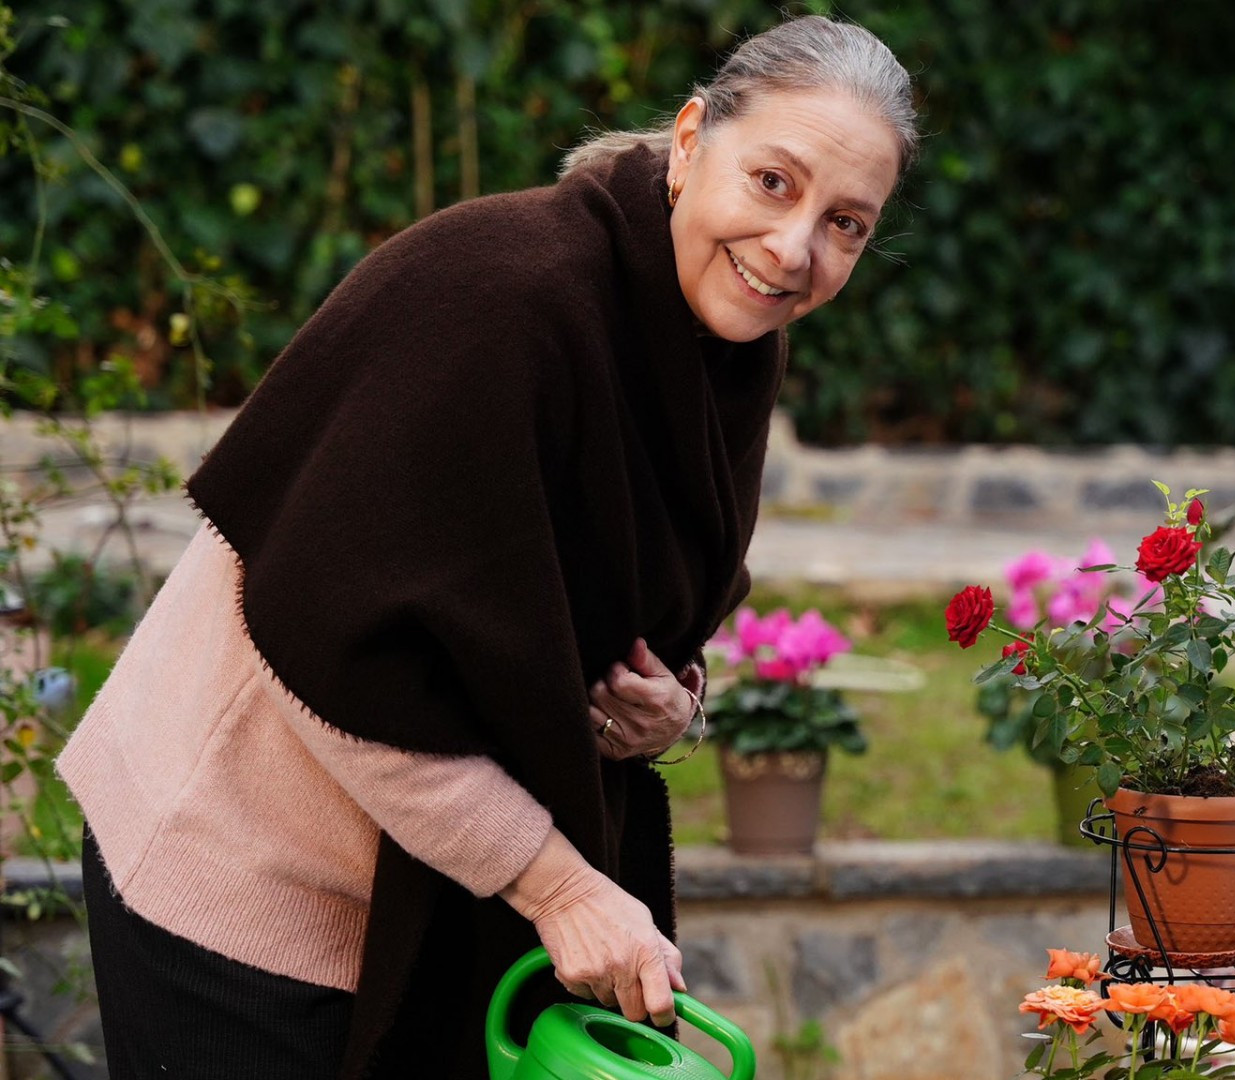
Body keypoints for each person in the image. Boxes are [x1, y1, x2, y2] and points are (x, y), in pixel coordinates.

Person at [56, 15, 918, 1079]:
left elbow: (593, 610)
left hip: (408, 876)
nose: (795, 251)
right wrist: (558, 886)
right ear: (691, 141)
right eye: (774, 183)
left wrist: (662, 705)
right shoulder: (498, 298)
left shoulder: (722, 348)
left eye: (847, 224)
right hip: (237, 865)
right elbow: (344, 657)